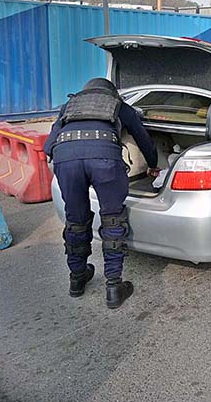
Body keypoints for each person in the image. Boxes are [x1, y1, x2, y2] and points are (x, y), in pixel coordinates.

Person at [43, 78, 159, 309]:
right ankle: (114, 286)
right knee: (112, 219)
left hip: (66, 161)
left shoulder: (69, 107)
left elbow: (48, 147)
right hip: (104, 159)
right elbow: (142, 137)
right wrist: (153, 162)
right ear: (112, 93)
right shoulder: (119, 106)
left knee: (75, 220)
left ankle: (77, 279)